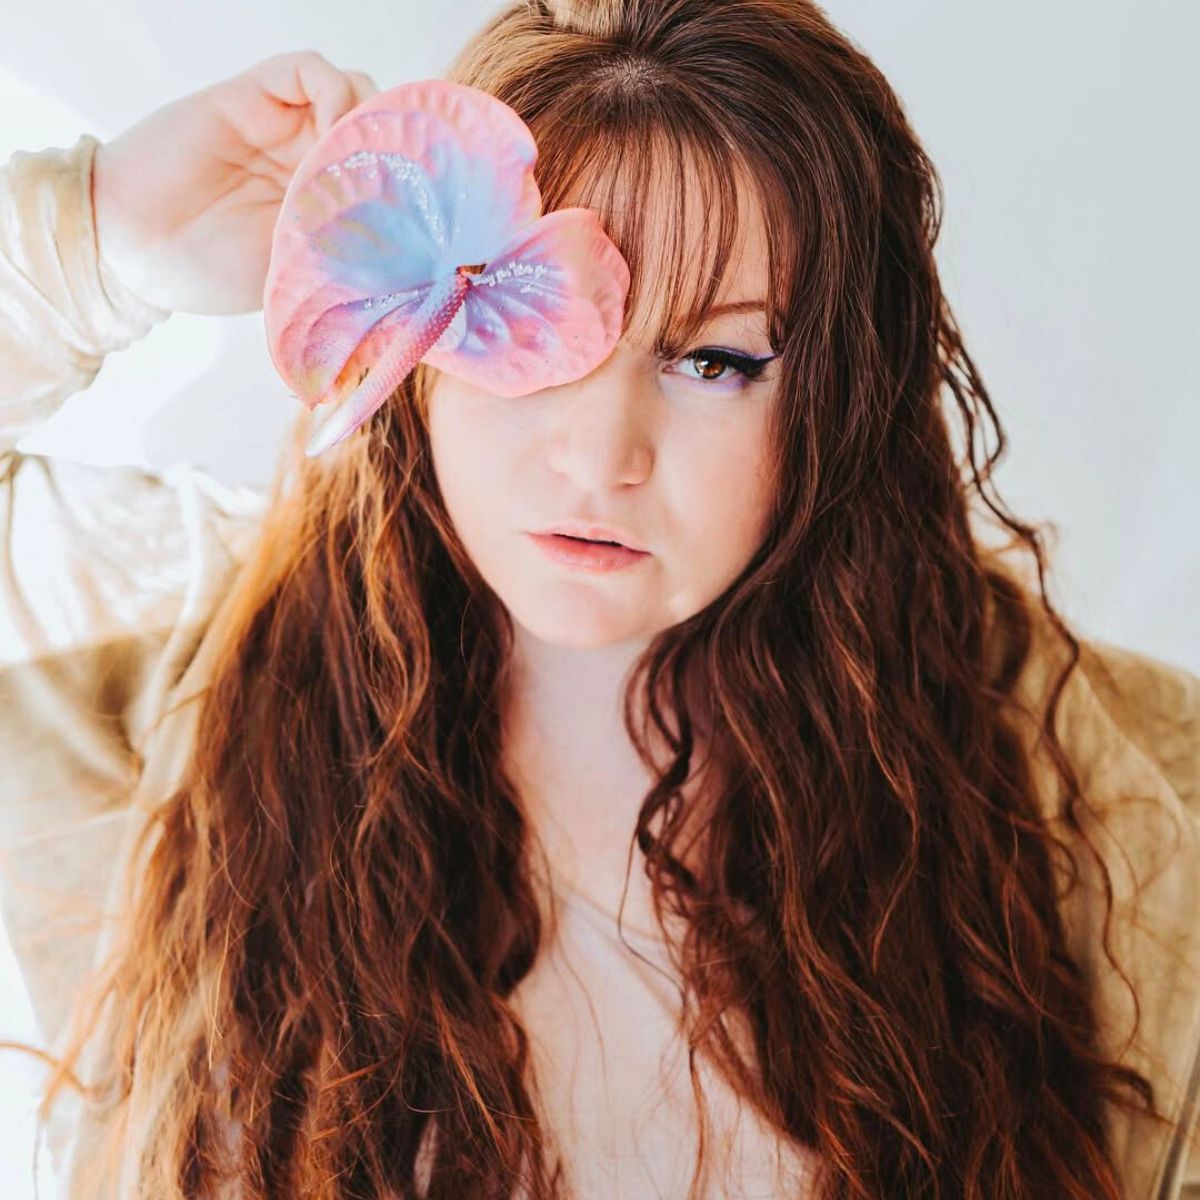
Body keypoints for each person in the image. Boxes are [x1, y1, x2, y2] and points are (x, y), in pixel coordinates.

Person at [0, 2, 1197, 1197]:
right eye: (529, 325)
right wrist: (94, 238)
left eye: (715, 362)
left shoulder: (1092, 787)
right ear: (414, 346)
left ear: (842, 399)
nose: (602, 457)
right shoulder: (177, 689)